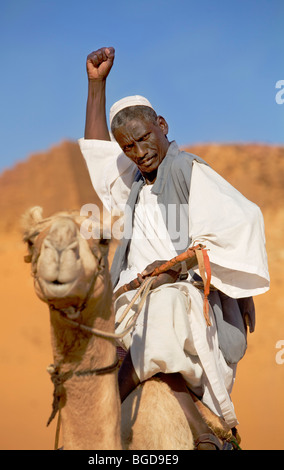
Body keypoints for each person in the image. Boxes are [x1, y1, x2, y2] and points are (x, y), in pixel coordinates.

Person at [79, 47, 270, 450]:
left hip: (184, 293)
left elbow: (244, 220)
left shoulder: (186, 169)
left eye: (145, 138)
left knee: (163, 309)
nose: (139, 151)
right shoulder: (133, 182)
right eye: (128, 147)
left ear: (162, 125)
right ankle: (197, 431)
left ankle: (117, 397)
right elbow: (98, 158)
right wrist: (96, 85)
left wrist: (216, 279)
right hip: (130, 297)